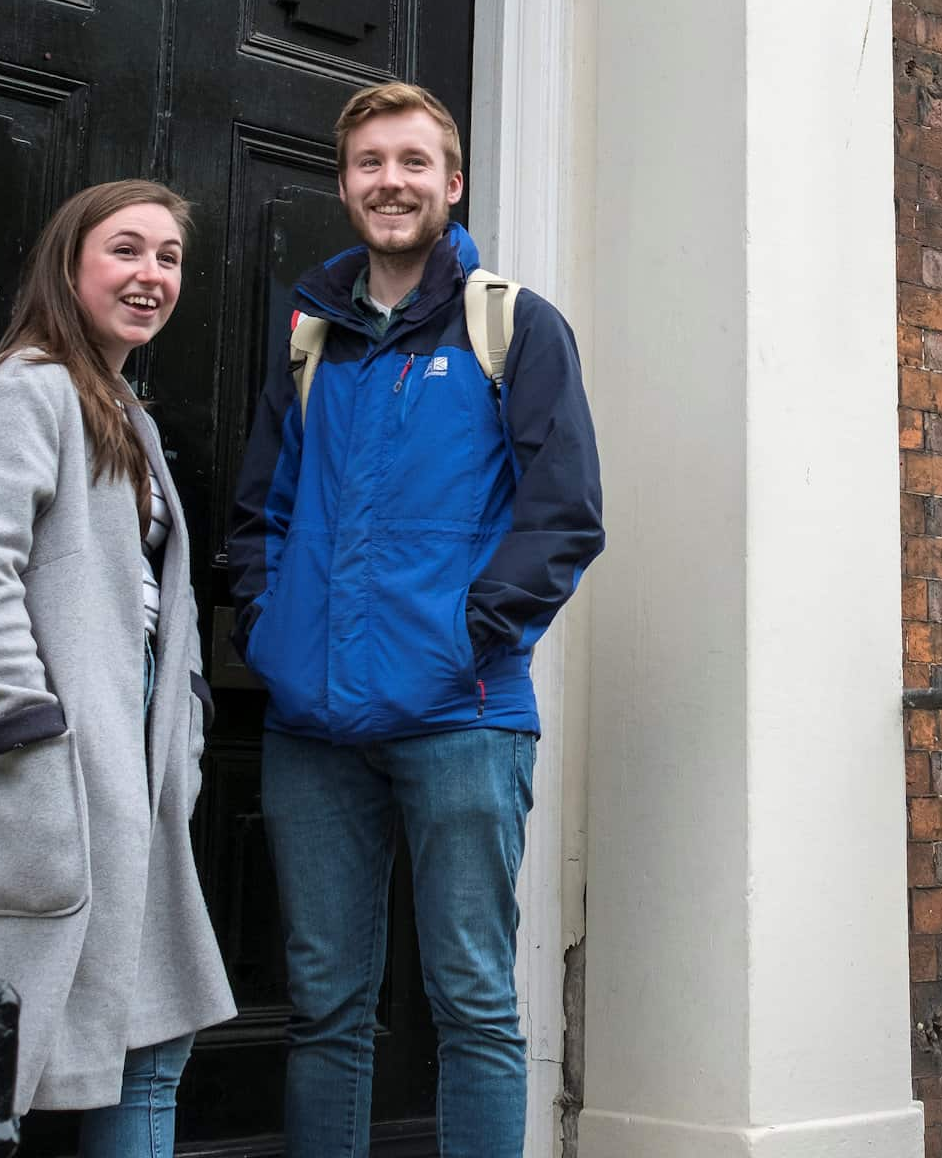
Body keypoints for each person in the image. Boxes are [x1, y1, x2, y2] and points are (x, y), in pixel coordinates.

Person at [228, 83, 604, 1156]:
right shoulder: (314, 335)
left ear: (452, 182)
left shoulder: (513, 326)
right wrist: (269, 627)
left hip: (464, 714)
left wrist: (469, 633)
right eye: (368, 164)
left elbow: (564, 512)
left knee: (473, 1002)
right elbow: (264, 508)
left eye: (411, 161)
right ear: (344, 183)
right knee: (326, 1010)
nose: (389, 181)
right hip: (313, 725)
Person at [0, 179, 235, 1156]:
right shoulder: (28, 386)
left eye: (169, 257)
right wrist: (24, 722)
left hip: (129, 755)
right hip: (46, 758)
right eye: (126, 250)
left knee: (149, 1038)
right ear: (70, 264)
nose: (151, 275)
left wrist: (180, 718)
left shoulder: (124, 411)